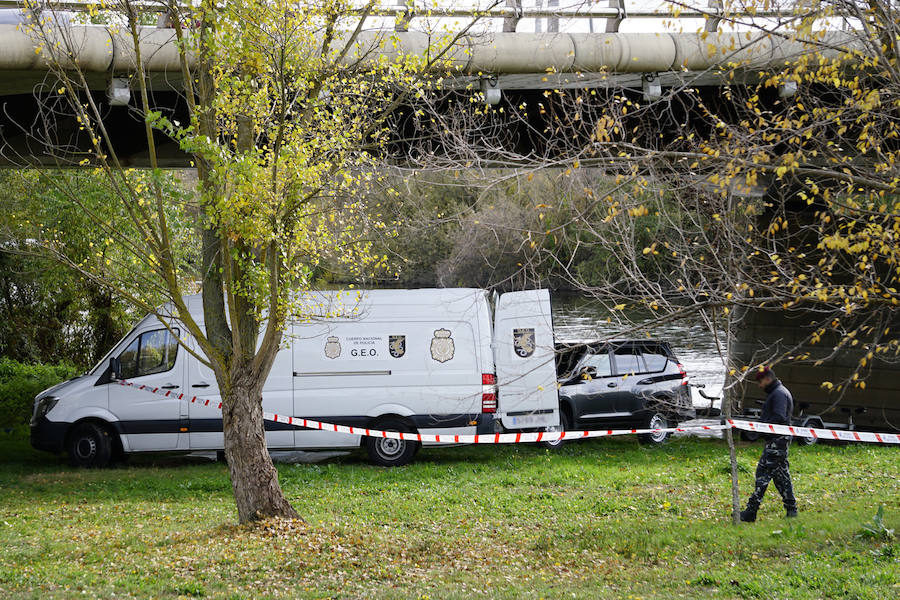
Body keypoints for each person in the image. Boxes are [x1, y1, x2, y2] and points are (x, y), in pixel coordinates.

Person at [740, 366, 798, 522]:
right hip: (778, 441)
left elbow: (778, 417)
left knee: (762, 475)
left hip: (776, 442)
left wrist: (759, 429)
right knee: (781, 477)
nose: (759, 386)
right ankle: (792, 510)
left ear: (767, 379)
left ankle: (751, 511)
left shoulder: (778, 394)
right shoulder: (778, 392)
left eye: (760, 382)